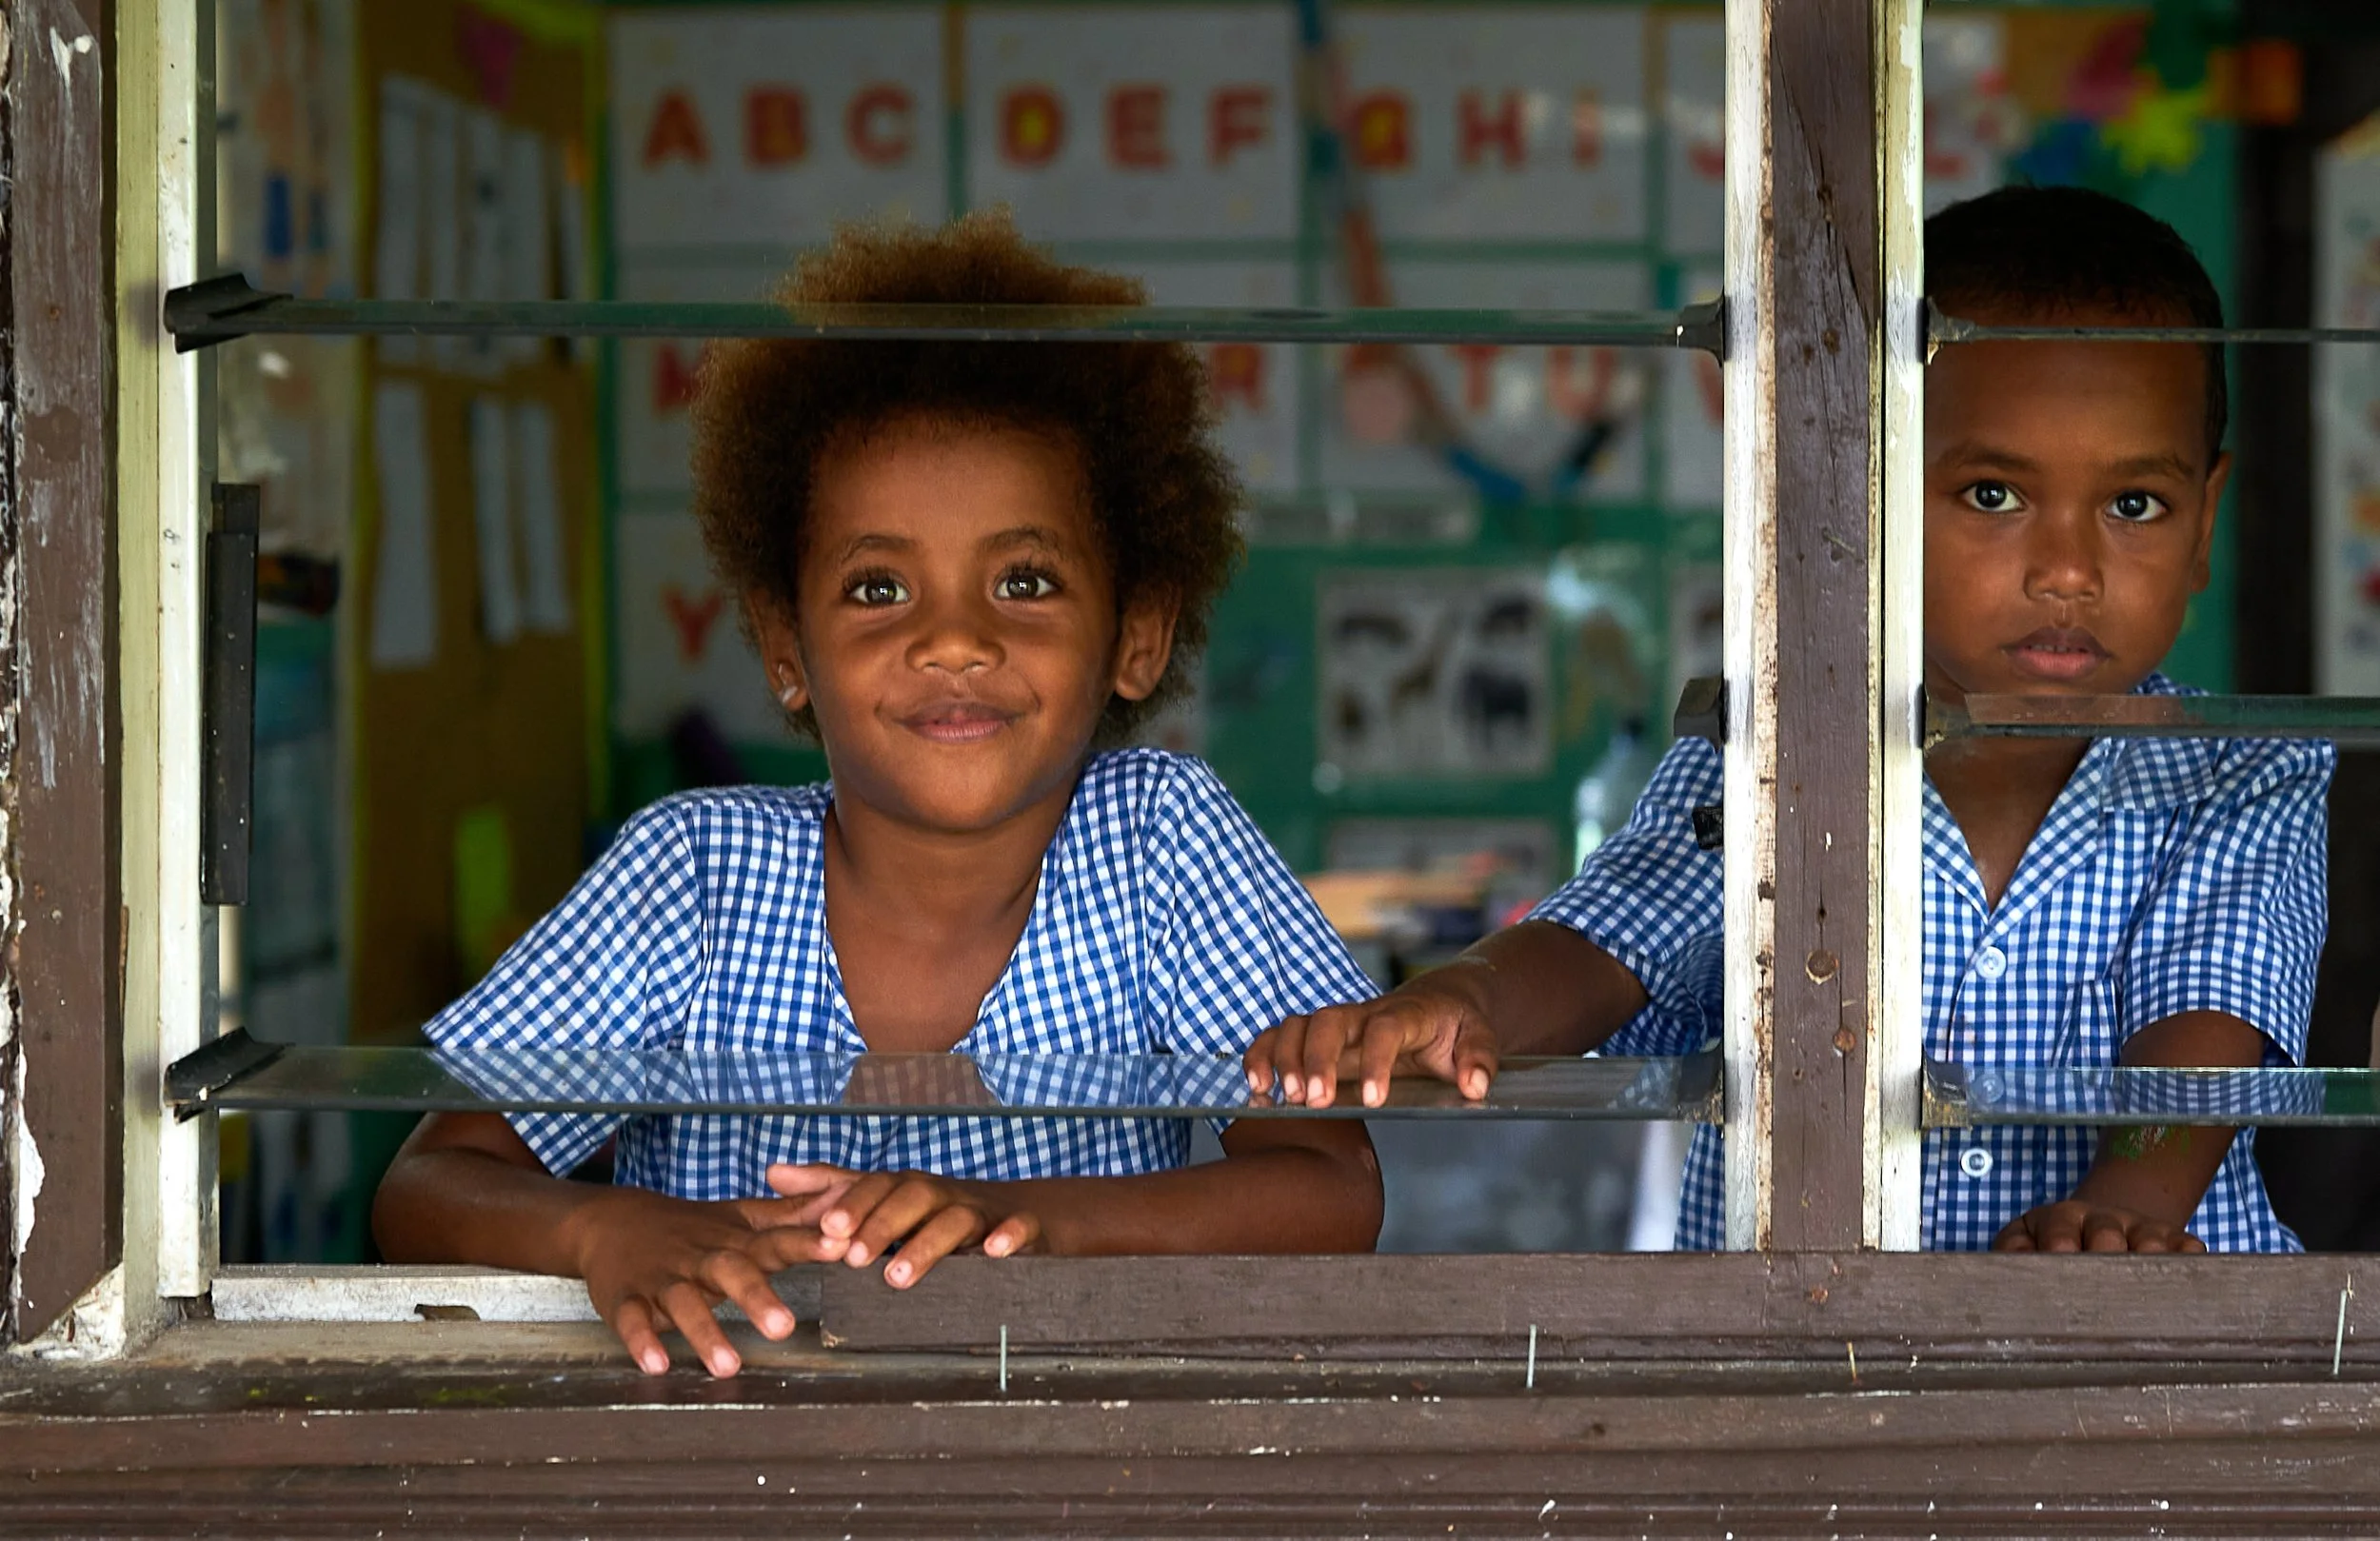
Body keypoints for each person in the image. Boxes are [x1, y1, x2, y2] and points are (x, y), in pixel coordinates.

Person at [375, 213, 1384, 1376]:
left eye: (1023, 579)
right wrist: (597, 1229)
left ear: (1137, 635)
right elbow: (423, 1183)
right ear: (783, 647)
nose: (953, 639)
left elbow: (1332, 1189)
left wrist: (1031, 1222)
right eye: (876, 587)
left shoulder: (1160, 841)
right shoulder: (687, 875)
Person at [1245, 185, 2328, 1255]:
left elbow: (2204, 1031)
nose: (2068, 571)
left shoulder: (2240, 769)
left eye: (2133, 505)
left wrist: (2126, 1207)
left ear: (2204, 523)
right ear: (1866, 489)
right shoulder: (1767, 753)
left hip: (2146, 1355)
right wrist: (1464, 998)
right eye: (1993, 494)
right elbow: (1608, 940)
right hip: (1805, 1359)